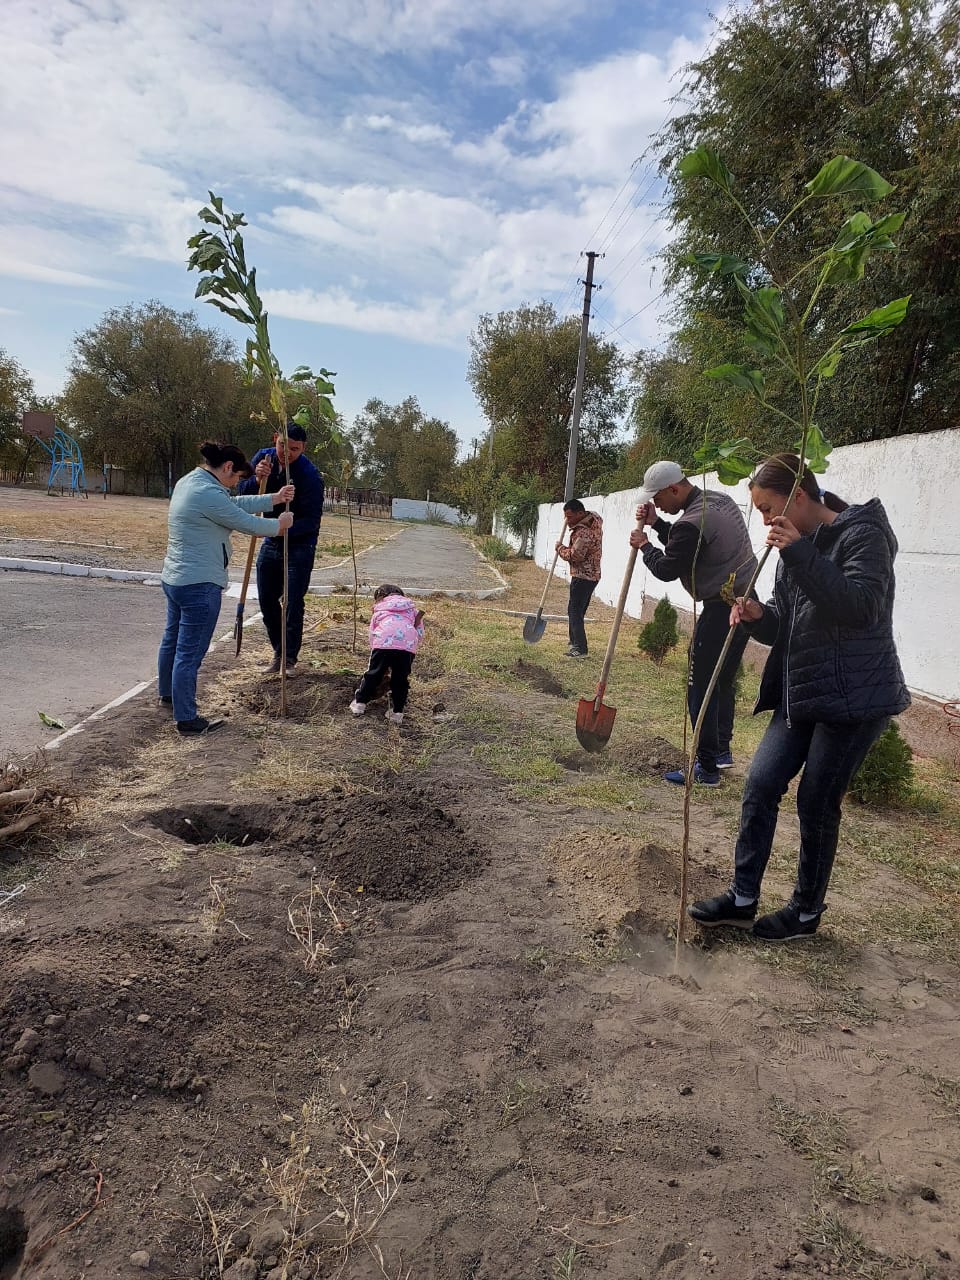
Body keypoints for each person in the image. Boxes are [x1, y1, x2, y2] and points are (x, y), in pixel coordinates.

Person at [689, 454, 910, 942]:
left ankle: (806, 910)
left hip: (854, 697)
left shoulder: (864, 534)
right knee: (761, 784)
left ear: (799, 496)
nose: (767, 521)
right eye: (762, 512)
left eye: (770, 508)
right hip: (802, 693)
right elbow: (787, 622)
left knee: (815, 801)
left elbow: (861, 607)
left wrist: (799, 554)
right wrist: (756, 615)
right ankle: (742, 898)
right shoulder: (797, 547)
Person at [629, 460, 757, 786]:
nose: (655, 503)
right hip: (747, 602)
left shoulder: (691, 522)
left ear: (674, 488)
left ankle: (706, 768)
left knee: (699, 686)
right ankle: (722, 752)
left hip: (719, 609)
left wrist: (645, 546)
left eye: (658, 498)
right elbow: (690, 543)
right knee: (723, 681)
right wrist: (658, 525)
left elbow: (669, 567)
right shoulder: (718, 501)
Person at [159, 441, 294, 736]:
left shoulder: (192, 481)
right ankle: (187, 719)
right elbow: (244, 522)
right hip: (199, 583)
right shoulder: (207, 492)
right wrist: (278, 526)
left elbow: (232, 505)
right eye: (235, 479)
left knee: (172, 639)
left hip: (175, 577)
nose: (236, 485)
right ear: (228, 467)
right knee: (190, 652)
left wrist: (273, 498)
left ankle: (168, 693)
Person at [239, 423, 325, 678]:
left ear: (303, 448)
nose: (287, 453)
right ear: (276, 439)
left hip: (299, 545)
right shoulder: (263, 459)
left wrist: (280, 528)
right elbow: (243, 495)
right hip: (271, 540)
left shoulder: (310, 476)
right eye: (282, 446)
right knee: (266, 599)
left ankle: (287, 659)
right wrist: (256, 478)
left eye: (295, 449)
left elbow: (312, 521)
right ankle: (278, 650)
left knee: (292, 602)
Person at [349, 584, 425, 725]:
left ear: (380, 597)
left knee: (373, 673)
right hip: (407, 646)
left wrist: (375, 648)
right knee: (400, 679)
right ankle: (397, 712)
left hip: (383, 642)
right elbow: (419, 633)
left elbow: (372, 632)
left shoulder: (379, 609)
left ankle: (359, 703)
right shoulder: (412, 610)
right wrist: (411, 646)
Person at [556, 498, 603, 658]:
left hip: (583, 576)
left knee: (574, 610)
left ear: (580, 513)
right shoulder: (594, 521)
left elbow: (575, 556)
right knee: (578, 610)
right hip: (593, 575)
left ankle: (580, 648)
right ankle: (574, 640)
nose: (567, 521)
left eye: (570, 517)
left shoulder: (583, 533)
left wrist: (560, 548)